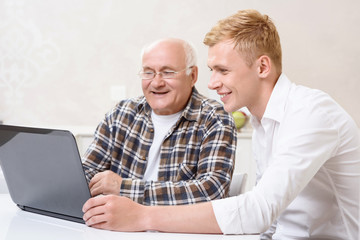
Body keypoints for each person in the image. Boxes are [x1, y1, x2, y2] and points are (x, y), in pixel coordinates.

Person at [82, 10, 360, 239]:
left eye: (223, 71)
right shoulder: (264, 121)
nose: (212, 83)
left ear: (262, 67)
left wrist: (142, 216)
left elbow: (258, 211)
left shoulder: (312, 113)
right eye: (212, 70)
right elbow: (271, 223)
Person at [82, 38, 237, 206]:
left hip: (177, 232)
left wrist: (124, 188)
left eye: (168, 72)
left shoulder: (214, 119)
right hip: (115, 230)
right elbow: (86, 173)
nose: (156, 82)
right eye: (148, 72)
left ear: (192, 76)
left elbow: (212, 191)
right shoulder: (120, 114)